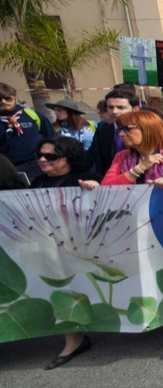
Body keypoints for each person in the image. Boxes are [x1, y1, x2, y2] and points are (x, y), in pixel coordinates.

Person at [99, 109, 163, 356]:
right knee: (145, 275)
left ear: (147, 130)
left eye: (128, 129)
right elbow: (106, 188)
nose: (122, 134)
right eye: (121, 129)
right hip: (131, 229)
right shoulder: (122, 158)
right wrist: (137, 170)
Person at [28, 136, 100, 369]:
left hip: (84, 249)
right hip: (48, 248)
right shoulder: (37, 182)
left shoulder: (86, 179)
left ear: (69, 158)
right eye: (40, 155)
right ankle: (74, 340)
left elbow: (109, 205)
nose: (42, 160)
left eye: (51, 156)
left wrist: (97, 190)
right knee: (62, 291)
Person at [0, 82, 56, 181]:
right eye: (0, 99)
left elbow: (52, 138)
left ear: (16, 99)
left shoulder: (33, 115)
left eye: (8, 98)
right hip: (4, 169)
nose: (3, 102)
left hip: (34, 166)